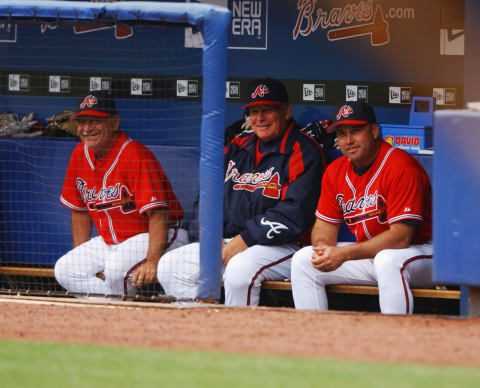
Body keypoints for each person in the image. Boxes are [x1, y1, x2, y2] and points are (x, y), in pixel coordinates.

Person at [157, 77, 326, 306]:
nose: (259, 118)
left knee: (239, 271)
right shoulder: (236, 146)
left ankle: (238, 338)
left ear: (286, 111)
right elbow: (206, 200)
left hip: (281, 246)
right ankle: (203, 331)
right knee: (170, 266)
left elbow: (295, 213)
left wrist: (245, 239)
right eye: (254, 111)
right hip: (226, 242)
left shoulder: (303, 150)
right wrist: (210, 239)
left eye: (268, 110)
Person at [291, 101, 433, 315]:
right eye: (341, 133)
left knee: (387, 261)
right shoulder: (335, 171)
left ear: (374, 131)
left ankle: (396, 343)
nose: (348, 140)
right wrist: (325, 251)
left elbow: (400, 238)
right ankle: (315, 342)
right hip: (369, 254)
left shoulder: (401, 166)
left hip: (420, 254)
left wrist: (343, 254)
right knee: (304, 260)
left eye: (356, 131)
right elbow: (323, 227)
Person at [54, 91, 189, 298]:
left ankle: (125, 320)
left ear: (114, 122)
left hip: (160, 236)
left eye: (95, 121)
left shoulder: (135, 155)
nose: (87, 128)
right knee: (66, 269)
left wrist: (152, 261)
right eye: (82, 121)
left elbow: (158, 213)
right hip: (112, 242)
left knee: (116, 270)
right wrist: (79, 255)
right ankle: (112, 314)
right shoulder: (79, 154)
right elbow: (79, 211)